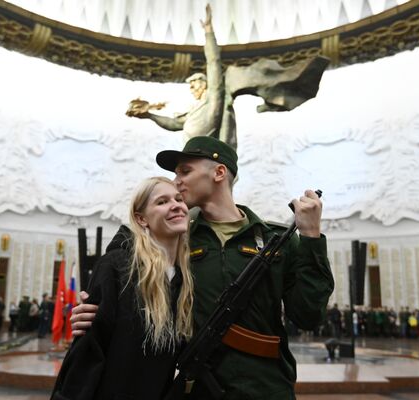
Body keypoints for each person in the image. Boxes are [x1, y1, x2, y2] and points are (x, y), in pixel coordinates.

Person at [72, 136, 334, 399]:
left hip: (265, 387)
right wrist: (97, 304)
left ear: (219, 172)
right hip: (198, 388)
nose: (177, 181)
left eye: (185, 171)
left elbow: (309, 315)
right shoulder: (177, 235)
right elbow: (129, 254)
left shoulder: (273, 240)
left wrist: (311, 236)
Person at [52, 177, 194, 400]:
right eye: (162, 202)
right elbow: (88, 352)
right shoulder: (116, 266)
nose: (176, 205)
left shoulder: (184, 278)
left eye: (178, 199)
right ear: (141, 219)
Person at [126, 5, 328, 152]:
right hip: (190, 157)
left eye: (194, 83)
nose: (192, 88)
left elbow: (213, 63)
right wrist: (150, 116)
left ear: (205, 83)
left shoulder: (214, 97)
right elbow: (173, 124)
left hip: (209, 159)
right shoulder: (194, 110)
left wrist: (208, 34)